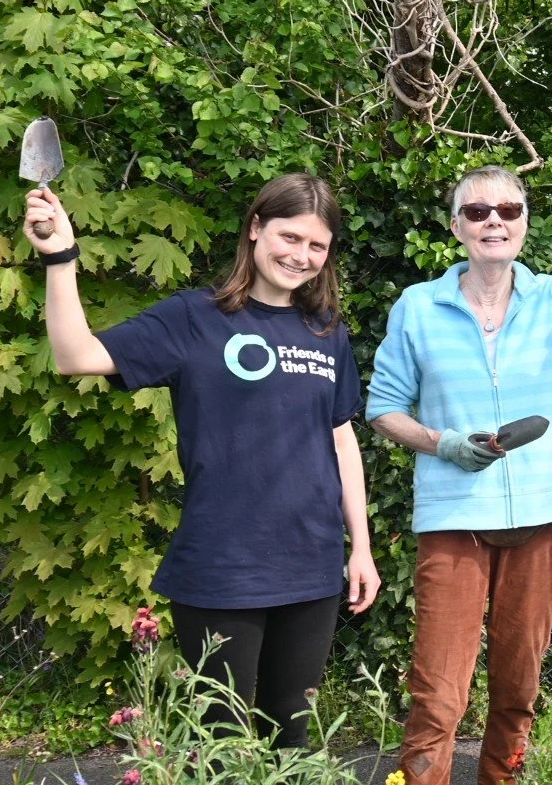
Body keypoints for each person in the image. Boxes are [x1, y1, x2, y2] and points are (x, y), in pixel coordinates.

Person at [23, 174, 379, 750]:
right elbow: (75, 356)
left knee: (292, 734)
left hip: (311, 563)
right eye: (290, 238)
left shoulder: (326, 331)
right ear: (256, 228)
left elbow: (341, 441)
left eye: (317, 246)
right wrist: (60, 259)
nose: (302, 256)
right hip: (222, 566)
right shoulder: (194, 318)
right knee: (221, 742)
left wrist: (359, 547)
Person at [367, 140, 552, 785]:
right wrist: (443, 444)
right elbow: (383, 407)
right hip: (455, 516)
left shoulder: (551, 299)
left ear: (523, 224)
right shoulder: (419, 306)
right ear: (456, 226)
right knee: (438, 693)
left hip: (539, 516)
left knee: (518, 690)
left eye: (509, 209)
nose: (495, 219)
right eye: (478, 209)